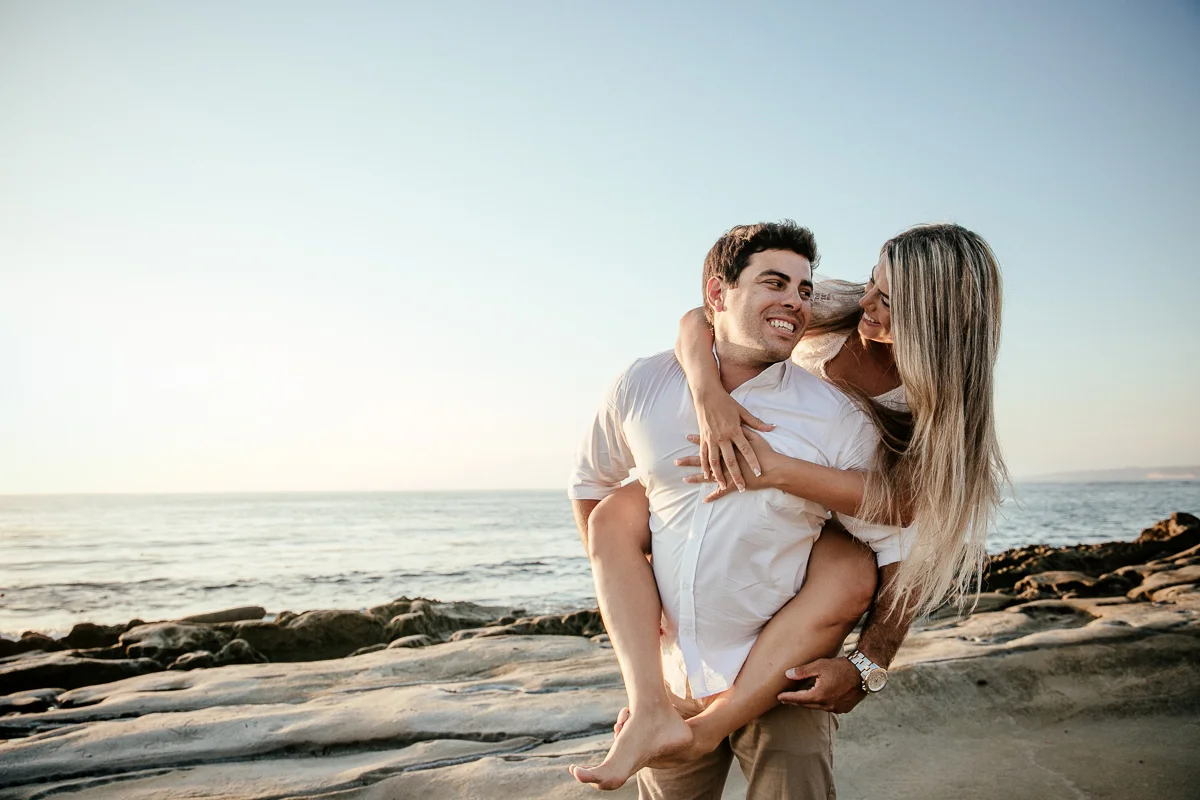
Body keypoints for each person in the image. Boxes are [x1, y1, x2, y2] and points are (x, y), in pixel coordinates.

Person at [570, 220, 1007, 797]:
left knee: (849, 569)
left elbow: (907, 523)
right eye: (872, 283)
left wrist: (867, 665)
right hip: (761, 503)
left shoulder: (938, 409)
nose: (866, 303)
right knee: (618, 513)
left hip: (834, 506)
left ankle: (712, 725)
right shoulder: (830, 304)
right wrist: (709, 395)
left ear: (936, 324)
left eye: (888, 302)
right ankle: (656, 709)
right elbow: (707, 315)